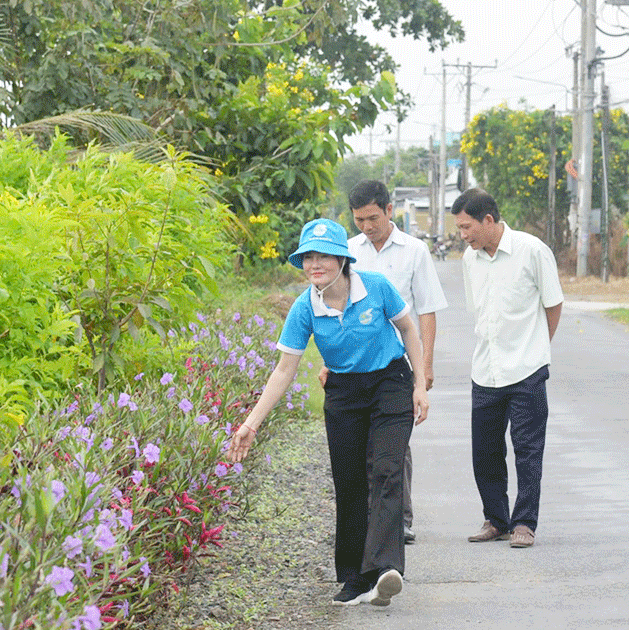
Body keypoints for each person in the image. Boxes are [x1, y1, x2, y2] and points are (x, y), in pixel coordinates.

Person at [229, 218, 429, 606]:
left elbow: (409, 329)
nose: (314, 264)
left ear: (343, 258)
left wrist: (419, 385)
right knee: (349, 481)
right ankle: (354, 578)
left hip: (390, 382)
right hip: (342, 391)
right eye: (308, 257)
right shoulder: (305, 307)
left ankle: (385, 569)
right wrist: (251, 423)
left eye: (323, 256)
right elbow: (284, 369)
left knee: (387, 470)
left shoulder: (377, 287)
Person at [329, 179, 447, 545]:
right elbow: (333, 308)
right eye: (359, 219)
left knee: (394, 444)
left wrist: (424, 366)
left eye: (373, 218)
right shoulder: (347, 252)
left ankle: (400, 518)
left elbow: (426, 310)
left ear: (389, 210)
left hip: (398, 363)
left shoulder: (414, 251)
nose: (367, 226)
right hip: (354, 364)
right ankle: (369, 516)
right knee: (359, 442)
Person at [450, 188, 563, 549]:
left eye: (467, 227)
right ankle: (496, 519)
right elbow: (479, 312)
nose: (463, 235)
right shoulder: (470, 260)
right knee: (484, 450)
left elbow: (553, 304)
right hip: (485, 369)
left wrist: (538, 347)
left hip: (527, 368)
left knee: (527, 450)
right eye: (459, 228)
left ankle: (524, 523)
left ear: (488, 220)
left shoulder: (532, 251)